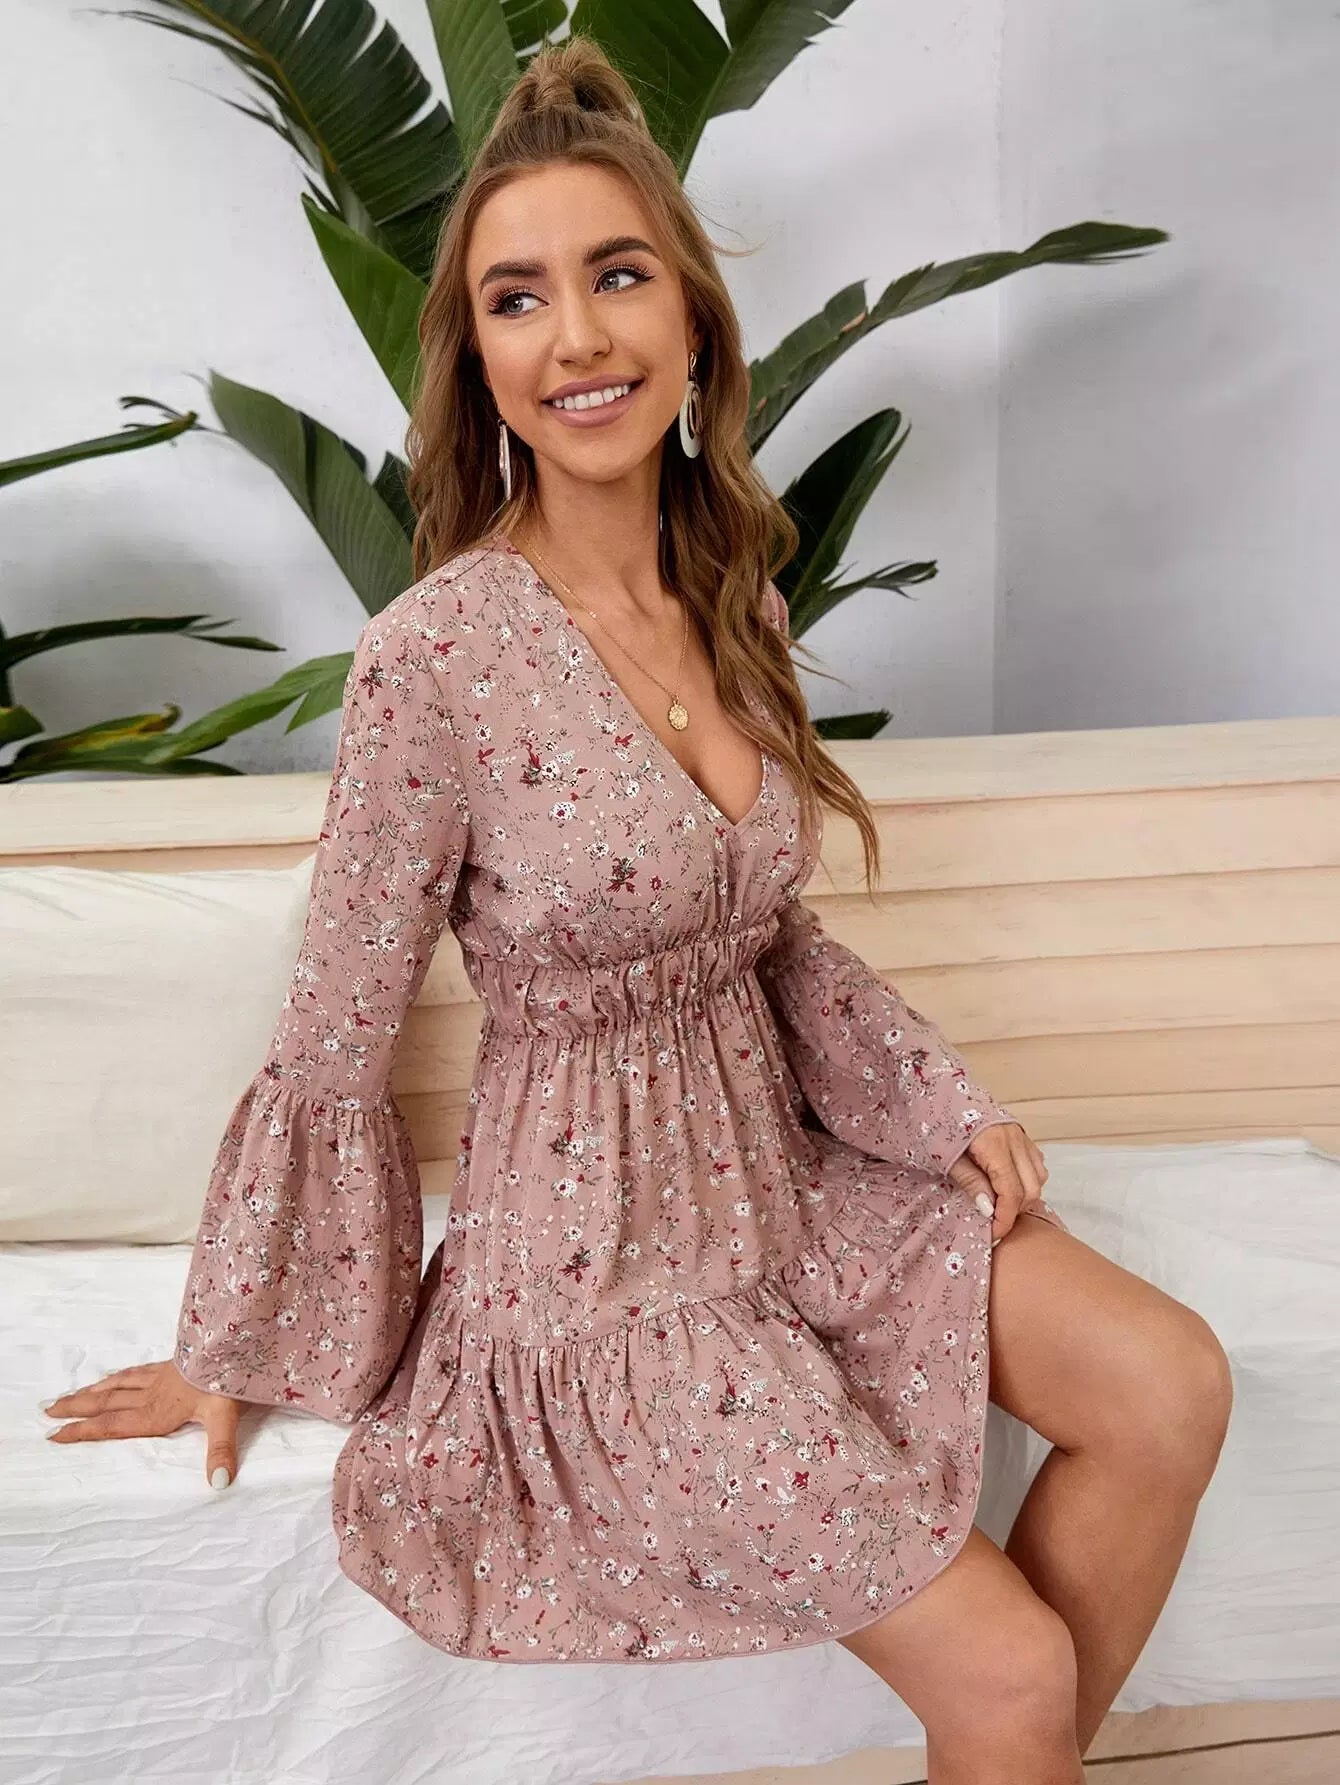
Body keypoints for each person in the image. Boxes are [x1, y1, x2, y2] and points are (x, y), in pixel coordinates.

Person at [44, 36, 1232, 1783]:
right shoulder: (435, 658)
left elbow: (771, 938)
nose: (577, 336)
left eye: (616, 276)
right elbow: (334, 1029)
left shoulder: (733, 594)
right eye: (517, 299)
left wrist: (940, 1104)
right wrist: (238, 1344)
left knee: (1170, 1384)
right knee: (1010, 1676)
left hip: (783, 1187)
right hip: (599, 1279)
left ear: (690, 321)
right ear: (480, 362)